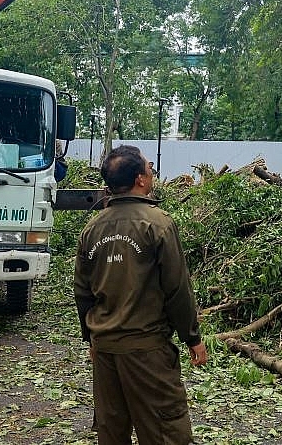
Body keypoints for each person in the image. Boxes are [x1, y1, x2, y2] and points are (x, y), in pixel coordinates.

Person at [74, 145, 207, 445]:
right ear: (140, 180)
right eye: (150, 168)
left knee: (112, 431)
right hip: (146, 351)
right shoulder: (158, 224)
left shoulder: (92, 228)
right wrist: (193, 338)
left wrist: (91, 338)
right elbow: (177, 289)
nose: (152, 173)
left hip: (105, 350)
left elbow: (82, 292)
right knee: (165, 432)